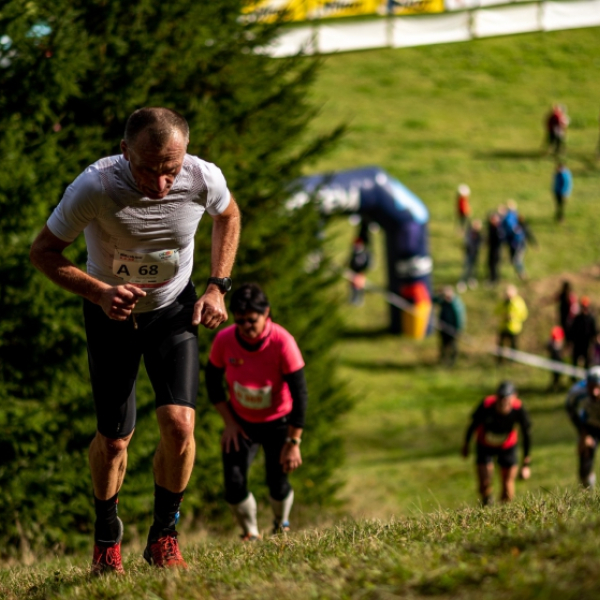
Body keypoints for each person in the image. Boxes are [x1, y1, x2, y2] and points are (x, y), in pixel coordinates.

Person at [29, 107, 241, 574]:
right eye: (148, 169)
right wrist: (100, 291)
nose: (161, 183)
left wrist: (215, 286)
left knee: (180, 424)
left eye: (171, 170)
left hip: (172, 308)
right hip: (111, 317)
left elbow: (228, 214)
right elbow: (43, 253)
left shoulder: (202, 177)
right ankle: (107, 540)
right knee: (115, 440)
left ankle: (164, 536)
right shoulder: (95, 187)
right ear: (125, 151)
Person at [205, 284, 308, 541]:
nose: (247, 327)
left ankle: (280, 523)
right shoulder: (224, 340)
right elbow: (212, 383)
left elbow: (301, 395)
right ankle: (250, 533)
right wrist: (229, 423)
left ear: (266, 314)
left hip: (278, 423)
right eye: (240, 321)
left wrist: (293, 442)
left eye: (252, 320)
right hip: (241, 423)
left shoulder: (283, 342)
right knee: (234, 483)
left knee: (277, 481)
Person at [462, 381, 532, 505]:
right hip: (485, 445)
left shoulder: (518, 409)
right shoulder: (486, 405)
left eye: (506, 398)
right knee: (484, 483)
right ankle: (487, 503)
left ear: (514, 396)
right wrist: (466, 444)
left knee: (507, 484)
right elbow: (472, 425)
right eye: (500, 397)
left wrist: (526, 463)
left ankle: (503, 512)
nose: (503, 401)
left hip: (507, 446)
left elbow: (527, 434)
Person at [565, 367, 600, 487]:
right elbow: (569, 407)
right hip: (589, 425)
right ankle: (587, 493)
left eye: (597, 387)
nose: (594, 392)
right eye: (591, 387)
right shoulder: (578, 391)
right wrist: (583, 432)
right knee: (585, 455)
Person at [433, 286, 466, 366]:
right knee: (443, 345)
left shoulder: (456, 305)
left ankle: (452, 361)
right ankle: (442, 359)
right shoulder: (444, 302)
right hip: (444, 327)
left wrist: (458, 330)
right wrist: (439, 294)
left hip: (452, 329)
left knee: (452, 345)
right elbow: (433, 300)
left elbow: (459, 319)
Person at [495, 285, 528, 361]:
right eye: (507, 295)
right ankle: (499, 360)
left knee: (513, 345)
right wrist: (503, 314)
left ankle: (512, 361)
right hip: (503, 326)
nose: (508, 297)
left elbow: (524, 314)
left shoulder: (519, 302)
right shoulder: (503, 302)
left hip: (514, 328)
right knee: (501, 344)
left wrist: (513, 317)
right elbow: (496, 311)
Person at [570, 296, 597, 375]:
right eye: (583, 306)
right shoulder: (577, 318)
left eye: (586, 307)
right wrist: (570, 341)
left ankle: (586, 379)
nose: (584, 308)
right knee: (574, 361)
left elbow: (594, 331)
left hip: (586, 344)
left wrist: (595, 341)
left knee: (587, 363)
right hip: (577, 343)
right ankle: (573, 378)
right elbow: (573, 330)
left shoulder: (591, 318)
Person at [459, 218, 482, 290]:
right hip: (468, 253)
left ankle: (471, 281)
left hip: (475, 254)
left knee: (473, 268)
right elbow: (467, 242)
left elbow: (480, 243)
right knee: (466, 268)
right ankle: (462, 282)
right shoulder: (469, 233)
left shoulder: (479, 234)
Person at [348, 237, 371, 306]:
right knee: (353, 287)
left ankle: (360, 300)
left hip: (360, 274)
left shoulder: (364, 254)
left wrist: (362, 272)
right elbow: (351, 262)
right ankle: (353, 299)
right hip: (353, 272)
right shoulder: (354, 253)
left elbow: (367, 264)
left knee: (360, 287)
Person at [486, 212, 504, 285]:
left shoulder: (498, 229)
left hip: (496, 250)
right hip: (491, 249)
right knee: (490, 264)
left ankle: (494, 280)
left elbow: (500, 240)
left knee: (494, 265)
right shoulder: (491, 227)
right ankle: (492, 278)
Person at [546, 325, 565, 392]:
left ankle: (557, 383)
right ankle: (555, 383)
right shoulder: (551, 343)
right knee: (555, 373)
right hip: (554, 360)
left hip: (558, 360)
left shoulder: (560, 343)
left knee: (558, 372)